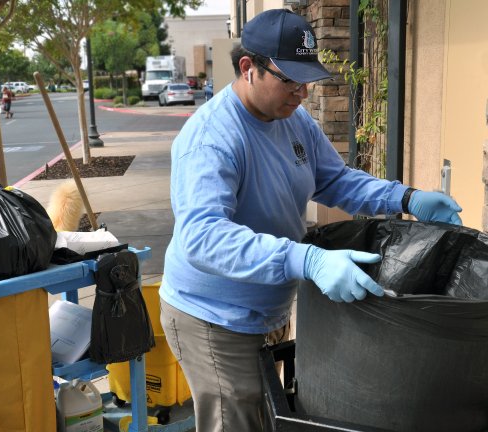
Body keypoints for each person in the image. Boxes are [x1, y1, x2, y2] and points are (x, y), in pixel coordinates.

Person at [158, 8, 463, 432]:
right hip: (214, 317)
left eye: (307, 79)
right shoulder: (211, 139)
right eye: (289, 79)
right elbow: (203, 237)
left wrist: (405, 196)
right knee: (237, 420)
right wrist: (309, 261)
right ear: (248, 68)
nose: (302, 92)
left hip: (268, 307)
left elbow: (334, 180)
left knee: (270, 416)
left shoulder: (294, 120)